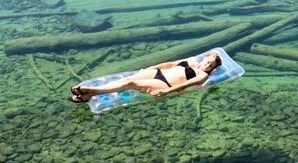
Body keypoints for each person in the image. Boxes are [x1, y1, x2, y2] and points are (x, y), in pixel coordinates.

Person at [69, 51, 222, 103]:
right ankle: (88, 95)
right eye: (208, 62)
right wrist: (153, 68)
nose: (207, 66)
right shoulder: (192, 60)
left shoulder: (202, 75)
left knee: (129, 82)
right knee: (125, 80)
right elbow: (171, 64)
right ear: (204, 58)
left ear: (213, 68)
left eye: (211, 66)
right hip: (157, 73)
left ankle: (91, 91)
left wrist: (167, 92)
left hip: (166, 84)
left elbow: (185, 86)